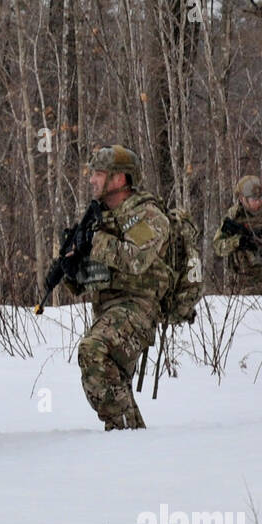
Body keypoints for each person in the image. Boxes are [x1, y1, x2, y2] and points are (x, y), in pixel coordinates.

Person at [62, 145, 173, 430]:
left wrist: (94, 242)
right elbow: (91, 279)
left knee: (94, 351)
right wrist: (72, 268)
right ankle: (133, 439)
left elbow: (135, 259)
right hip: (108, 309)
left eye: (99, 174)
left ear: (120, 179)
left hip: (139, 308)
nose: (92, 180)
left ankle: (125, 436)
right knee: (112, 377)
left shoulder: (147, 216)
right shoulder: (100, 218)